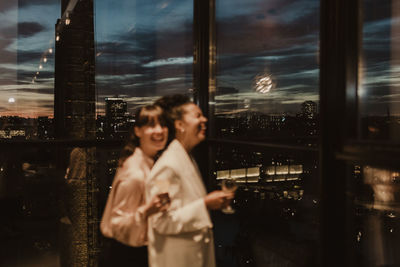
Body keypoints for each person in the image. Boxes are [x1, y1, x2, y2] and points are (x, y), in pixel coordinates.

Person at [146, 94, 234, 267]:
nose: (205, 119)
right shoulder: (167, 167)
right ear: (179, 125)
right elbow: (160, 221)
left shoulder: (187, 157)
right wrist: (205, 204)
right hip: (176, 259)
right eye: (197, 116)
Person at [100, 105, 171, 267]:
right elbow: (118, 225)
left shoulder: (150, 162)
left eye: (163, 125)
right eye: (151, 125)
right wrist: (147, 210)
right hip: (127, 255)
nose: (159, 130)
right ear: (138, 131)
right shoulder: (135, 174)